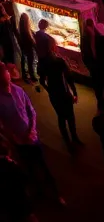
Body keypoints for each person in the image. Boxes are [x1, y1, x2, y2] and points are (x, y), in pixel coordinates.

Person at [0, 65, 63, 205]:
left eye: (6, 72)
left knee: (43, 166)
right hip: (19, 142)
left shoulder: (18, 90)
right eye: (3, 72)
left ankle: (56, 195)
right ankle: (39, 192)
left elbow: (31, 111)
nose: (7, 74)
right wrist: (14, 137)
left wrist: (32, 129)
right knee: (29, 168)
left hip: (32, 138)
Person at [39, 38, 81, 148]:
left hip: (54, 95)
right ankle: (75, 138)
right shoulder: (59, 61)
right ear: (53, 47)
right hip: (64, 93)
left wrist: (49, 90)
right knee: (70, 117)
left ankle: (68, 143)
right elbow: (69, 78)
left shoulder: (42, 62)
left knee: (61, 118)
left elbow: (42, 81)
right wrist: (75, 93)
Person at [0, 139, 44, 222]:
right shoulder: (10, 164)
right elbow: (24, 178)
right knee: (30, 219)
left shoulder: (7, 163)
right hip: (19, 197)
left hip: (7, 201)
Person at [81, 17, 104, 103]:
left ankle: (102, 106)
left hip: (95, 71)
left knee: (99, 90)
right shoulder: (101, 39)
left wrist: (90, 67)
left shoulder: (84, 40)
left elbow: (85, 57)